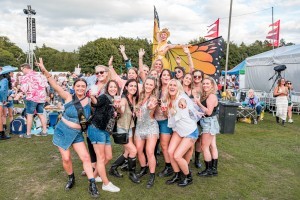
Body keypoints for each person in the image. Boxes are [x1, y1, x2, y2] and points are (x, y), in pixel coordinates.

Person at [36, 58, 99, 198]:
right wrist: (44, 70)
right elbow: (53, 84)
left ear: (86, 87)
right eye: (78, 86)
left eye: (83, 86)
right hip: (62, 130)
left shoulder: (90, 100)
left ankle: (92, 184)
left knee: (85, 157)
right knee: (66, 158)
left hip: (77, 133)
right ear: (74, 87)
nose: (81, 88)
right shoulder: (68, 97)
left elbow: (99, 108)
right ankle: (71, 178)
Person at [88, 80, 121, 192]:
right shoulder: (104, 97)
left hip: (105, 131)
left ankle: (94, 176)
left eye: (115, 87)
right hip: (96, 129)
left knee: (108, 157)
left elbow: (113, 115)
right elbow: (96, 102)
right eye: (111, 87)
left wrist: (115, 111)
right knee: (101, 158)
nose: (113, 89)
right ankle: (106, 184)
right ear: (107, 88)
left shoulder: (115, 100)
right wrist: (92, 97)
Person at [165, 79, 199, 187]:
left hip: (190, 131)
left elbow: (182, 102)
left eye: (174, 85)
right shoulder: (168, 100)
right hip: (179, 130)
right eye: (170, 85)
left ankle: (188, 177)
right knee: (170, 152)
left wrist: (182, 103)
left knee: (177, 156)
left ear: (178, 88)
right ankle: (177, 175)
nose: (172, 86)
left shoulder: (181, 99)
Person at [109, 79, 140, 184]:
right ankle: (132, 174)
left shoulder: (133, 98)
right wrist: (118, 109)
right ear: (126, 87)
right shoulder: (123, 99)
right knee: (133, 151)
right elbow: (121, 110)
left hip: (129, 127)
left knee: (127, 151)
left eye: (135, 86)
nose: (133, 88)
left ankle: (113, 168)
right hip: (122, 128)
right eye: (131, 86)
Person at [135, 76, 159, 188]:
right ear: (144, 85)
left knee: (149, 152)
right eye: (147, 84)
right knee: (139, 150)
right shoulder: (141, 96)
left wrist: (149, 108)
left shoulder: (153, 99)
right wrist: (136, 112)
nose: (148, 86)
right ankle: (144, 168)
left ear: (154, 86)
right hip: (140, 127)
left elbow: (150, 114)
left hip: (151, 127)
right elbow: (136, 110)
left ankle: (152, 175)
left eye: (151, 84)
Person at [195, 76, 220, 177]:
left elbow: (209, 112)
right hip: (211, 122)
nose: (205, 85)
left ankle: (208, 170)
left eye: (207, 84)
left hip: (209, 122)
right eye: (204, 83)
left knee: (204, 147)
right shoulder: (207, 95)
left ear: (212, 85)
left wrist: (199, 103)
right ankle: (213, 169)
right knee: (212, 146)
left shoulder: (211, 96)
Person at [19, 63, 48, 138]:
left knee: (30, 115)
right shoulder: (40, 75)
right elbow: (46, 85)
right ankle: (45, 131)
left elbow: (24, 89)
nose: (22, 71)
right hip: (41, 97)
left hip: (32, 97)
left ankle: (28, 133)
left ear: (25, 68)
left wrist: (20, 86)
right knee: (41, 114)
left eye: (22, 69)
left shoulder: (26, 77)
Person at [155, 69, 174, 178]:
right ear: (160, 77)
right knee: (157, 144)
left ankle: (169, 167)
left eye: (168, 75)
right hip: (155, 119)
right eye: (164, 75)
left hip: (166, 120)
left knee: (164, 144)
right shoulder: (157, 89)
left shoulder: (172, 89)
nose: (166, 77)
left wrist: (166, 110)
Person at [0, 66, 17, 140]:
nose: (12, 73)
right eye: (11, 72)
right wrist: (4, 99)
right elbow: (2, 90)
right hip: (1, 100)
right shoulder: (5, 80)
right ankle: (2, 134)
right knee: (0, 117)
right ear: (8, 73)